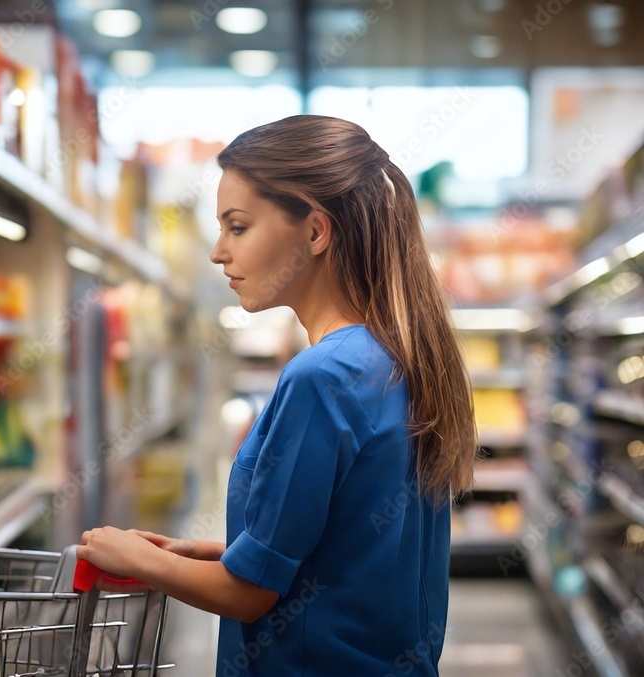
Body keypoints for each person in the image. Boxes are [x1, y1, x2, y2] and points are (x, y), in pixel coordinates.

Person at [76, 115, 477, 676]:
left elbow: (248, 596)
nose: (218, 252)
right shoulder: (396, 358)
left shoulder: (322, 377)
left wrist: (139, 559)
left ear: (315, 232)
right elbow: (351, 552)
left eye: (237, 227)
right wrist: (220, 555)